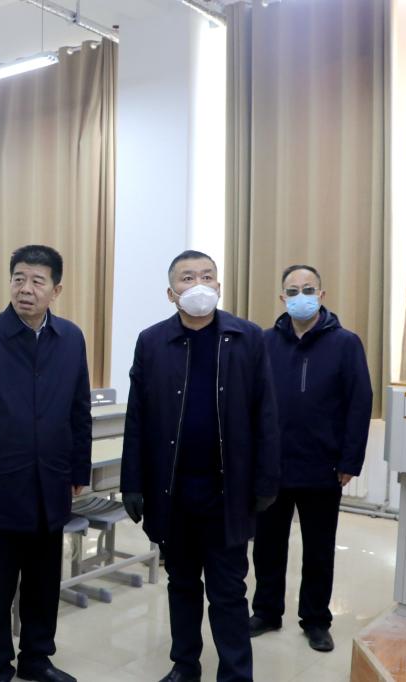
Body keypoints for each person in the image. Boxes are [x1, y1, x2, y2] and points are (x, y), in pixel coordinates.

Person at [120, 250, 280, 682]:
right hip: (173, 491)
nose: (199, 285)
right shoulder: (152, 341)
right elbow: (137, 417)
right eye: (188, 278)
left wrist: (267, 479)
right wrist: (132, 482)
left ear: (219, 286)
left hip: (228, 492)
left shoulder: (247, 338)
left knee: (229, 591)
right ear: (171, 292)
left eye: (207, 276)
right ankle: (185, 665)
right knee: (182, 584)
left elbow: (266, 413)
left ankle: (236, 673)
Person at [0, 245, 92, 682]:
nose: (26, 289)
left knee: (44, 581)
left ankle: (36, 659)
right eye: (19, 279)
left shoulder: (71, 338)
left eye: (37, 281)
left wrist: (79, 469)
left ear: (56, 290)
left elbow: (79, 409)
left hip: (52, 481)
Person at [249, 264, 372, 652]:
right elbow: (251, 401)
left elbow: (359, 403)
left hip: (323, 466)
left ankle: (316, 619)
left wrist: (350, 460)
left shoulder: (346, 343)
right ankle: (266, 611)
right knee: (267, 546)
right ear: (281, 297)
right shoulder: (264, 342)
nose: (300, 296)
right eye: (292, 290)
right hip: (273, 466)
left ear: (321, 295)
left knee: (319, 549)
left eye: (308, 289)